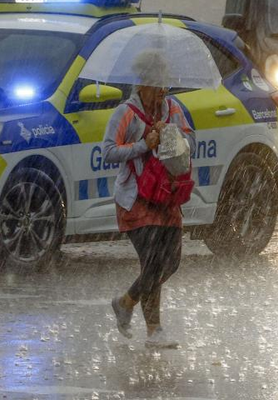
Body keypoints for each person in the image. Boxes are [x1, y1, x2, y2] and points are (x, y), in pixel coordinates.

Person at [102, 50, 195, 349]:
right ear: (142, 83)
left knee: (171, 262)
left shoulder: (173, 109)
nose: (162, 90)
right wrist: (143, 144)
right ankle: (154, 331)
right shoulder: (126, 113)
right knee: (152, 261)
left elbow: (191, 142)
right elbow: (108, 151)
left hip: (167, 195)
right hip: (136, 199)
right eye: (157, 84)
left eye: (165, 84)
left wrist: (170, 134)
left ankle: (125, 302)